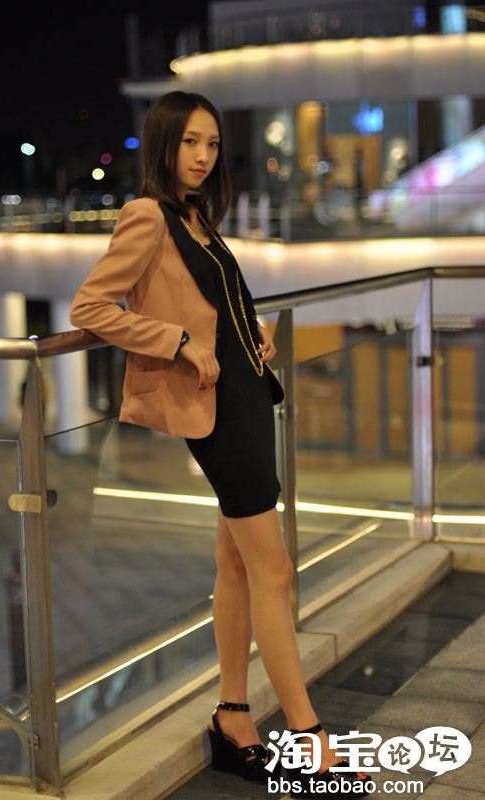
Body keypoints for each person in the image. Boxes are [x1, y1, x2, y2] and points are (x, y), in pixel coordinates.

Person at [69, 91, 369, 797]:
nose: (203, 156)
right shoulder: (148, 215)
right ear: (163, 144)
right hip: (216, 410)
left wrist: (248, 331)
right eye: (189, 143)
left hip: (245, 396)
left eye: (211, 144)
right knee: (274, 570)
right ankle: (311, 741)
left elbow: (213, 298)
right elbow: (90, 307)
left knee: (236, 563)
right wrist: (174, 341)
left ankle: (234, 717)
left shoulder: (197, 216)